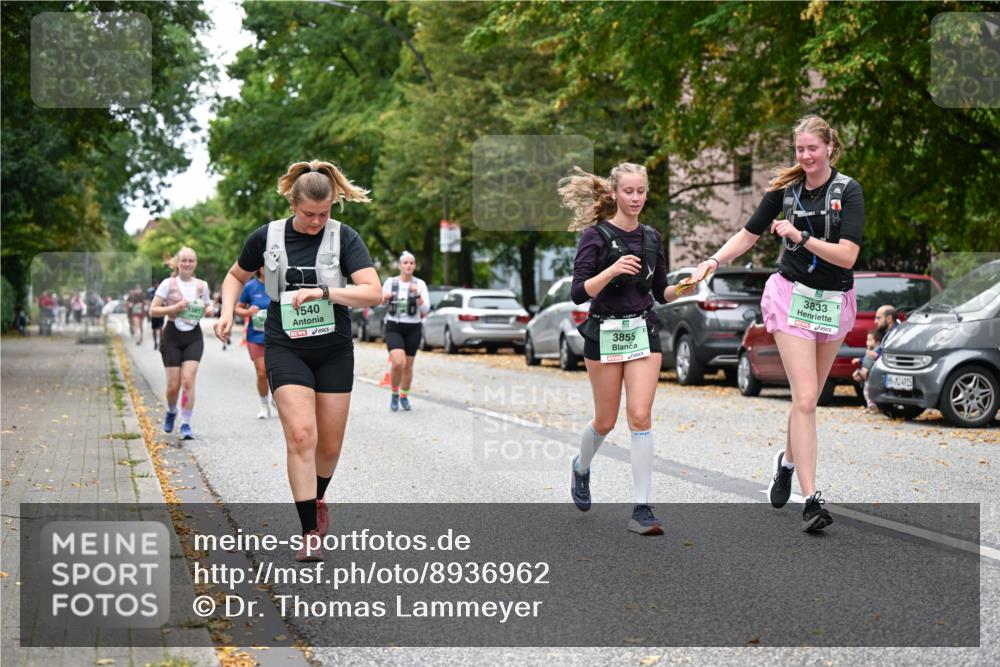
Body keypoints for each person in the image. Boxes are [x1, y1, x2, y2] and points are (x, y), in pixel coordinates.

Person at [688, 115, 865, 532]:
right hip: (791, 297)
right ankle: (812, 500)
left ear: (829, 149)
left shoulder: (848, 191)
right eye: (799, 149)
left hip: (833, 300)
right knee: (804, 398)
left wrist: (800, 236)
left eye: (812, 148)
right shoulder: (785, 192)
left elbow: (848, 256)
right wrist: (713, 261)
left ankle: (786, 463)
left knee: (809, 399)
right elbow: (747, 236)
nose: (805, 156)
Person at [213, 160, 381, 562]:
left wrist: (327, 293)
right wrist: (225, 310)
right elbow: (236, 276)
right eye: (309, 214)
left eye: (324, 214)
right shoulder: (266, 236)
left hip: (334, 348)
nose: (316, 222)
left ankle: (317, 497)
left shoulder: (345, 238)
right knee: (302, 435)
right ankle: (309, 530)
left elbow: (372, 292)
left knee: (330, 443)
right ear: (293, 203)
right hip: (285, 345)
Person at [559, 162, 689, 536]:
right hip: (603, 331)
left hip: (642, 329)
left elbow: (660, 291)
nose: (635, 198)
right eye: (629, 191)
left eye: (641, 191)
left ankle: (642, 509)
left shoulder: (651, 237)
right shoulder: (595, 237)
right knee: (605, 420)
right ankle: (581, 466)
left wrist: (684, 287)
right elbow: (579, 293)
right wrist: (613, 270)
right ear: (615, 193)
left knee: (640, 415)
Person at [149, 247, 214, 440]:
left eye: (191, 261)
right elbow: (153, 310)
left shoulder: (202, 286)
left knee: (188, 380)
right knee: (173, 386)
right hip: (172, 336)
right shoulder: (168, 284)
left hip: (193, 336)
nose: (187, 264)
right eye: (184, 260)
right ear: (177, 263)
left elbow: (209, 304)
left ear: (195, 264)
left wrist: (209, 309)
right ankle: (171, 411)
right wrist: (174, 307)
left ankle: (186, 423)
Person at [381, 251, 430, 412]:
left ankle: (404, 395)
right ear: (400, 265)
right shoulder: (390, 282)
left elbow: (425, 309)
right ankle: (394, 392)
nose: (408, 265)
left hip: (413, 327)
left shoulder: (420, 284)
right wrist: (384, 298)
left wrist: (417, 295)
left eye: (411, 263)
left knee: (408, 366)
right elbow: (378, 303)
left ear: (414, 266)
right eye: (405, 263)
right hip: (394, 326)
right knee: (398, 362)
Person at [235, 268, 273, 418]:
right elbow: (237, 308)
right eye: (263, 264)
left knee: (276, 372)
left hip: (277, 336)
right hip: (256, 335)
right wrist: (248, 312)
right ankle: (264, 405)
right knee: (262, 372)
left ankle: (278, 398)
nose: (267, 267)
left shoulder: (280, 285)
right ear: (259, 268)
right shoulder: (250, 286)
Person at [852, 328, 883, 412]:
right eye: (867, 340)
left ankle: (873, 406)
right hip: (866, 374)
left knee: (869, 390)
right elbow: (866, 360)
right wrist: (858, 360)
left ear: (877, 342)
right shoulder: (869, 351)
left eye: (870, 340)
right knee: (866, 390)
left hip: (872, 375)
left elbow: (880, 358)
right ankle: (870, 406)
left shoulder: (878, 350)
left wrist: (875, 355)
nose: (867, 342)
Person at [148, 280, 164, 350]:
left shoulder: (162, 291)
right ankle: (155, 342)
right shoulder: (151, 292)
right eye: (155, 284)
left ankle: (160, 342)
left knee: (161, 328)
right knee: (154, 329)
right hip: (154, 313)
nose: (157, 285)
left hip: (161, 311)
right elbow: (149, 302)